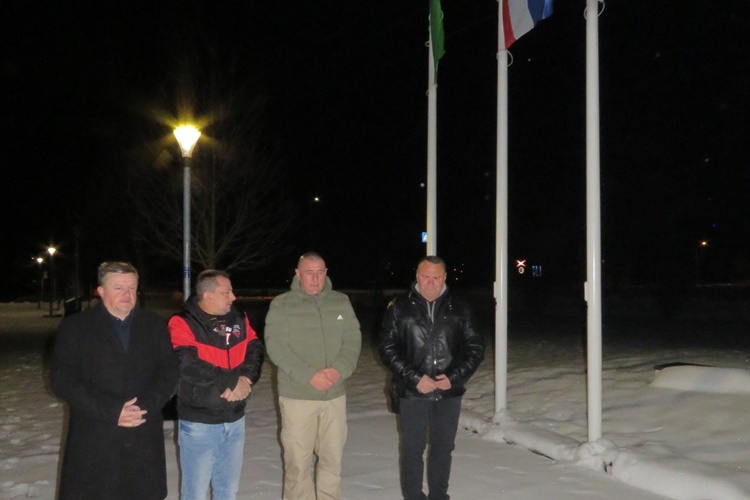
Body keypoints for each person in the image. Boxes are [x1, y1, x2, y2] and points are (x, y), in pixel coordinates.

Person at [51, 261, 178, 500]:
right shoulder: (76, 327)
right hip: (95, 439)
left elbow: (169, 371)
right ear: (100, 291)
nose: (127, 295)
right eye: (119, 288)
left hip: (143, 437)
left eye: (132, 288)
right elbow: (63, 380)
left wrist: (146, 406)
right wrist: (112, 410)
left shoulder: (154, 324)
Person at [379, 255, 485, 500]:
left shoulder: (460, 307)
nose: (430, 282)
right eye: (425, 276)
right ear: (417, 275)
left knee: (442, 449)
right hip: (412, 392)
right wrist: (416, 378)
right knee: (412, 450)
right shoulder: (399, 307)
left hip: (448, 393)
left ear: (445, 277)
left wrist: (453, 378)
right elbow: (387, 348)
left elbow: (476, 348)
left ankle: (439, 495)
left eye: (436, 277)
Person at [264, 252, 362, 500]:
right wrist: (309, 376)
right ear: (298, 274)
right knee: (298, 463)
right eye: (309, 273)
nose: (315, 278)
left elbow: (353, 339)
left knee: (332, 460)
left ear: (326, 273)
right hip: (298, 396)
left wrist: (339, 370)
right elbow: (276, 347)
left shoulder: (340, 302)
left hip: (334, 395)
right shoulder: (282, 305)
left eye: (320, 272)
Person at [168, 269, 264, 500]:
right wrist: (230, 382)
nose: (233, 297)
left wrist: (245, 379)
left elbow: (255, 349)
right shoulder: (182, 322)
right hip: (200, 423)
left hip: (234, 418)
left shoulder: (238, 318)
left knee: (227, 491)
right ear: (208, 295)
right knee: (195, 493)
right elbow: (187, 364)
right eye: (226, 292)